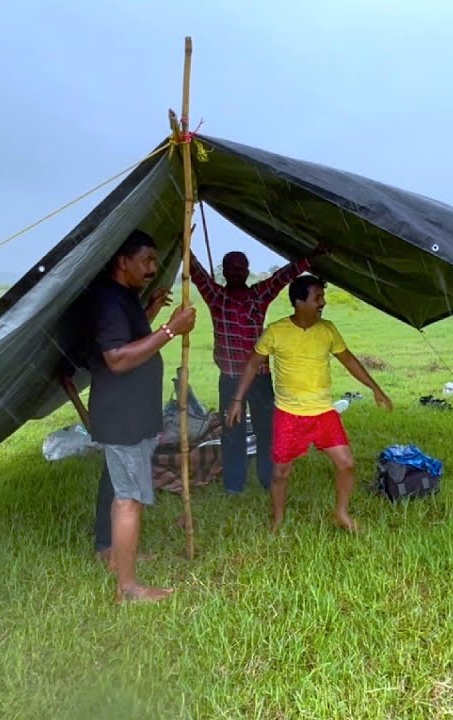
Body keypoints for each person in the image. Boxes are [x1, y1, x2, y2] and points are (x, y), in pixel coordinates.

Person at [227, 274, 391, 534]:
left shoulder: (327, 330)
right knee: (280, 472)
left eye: (322, 297)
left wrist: (376, 389)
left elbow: (348, 360)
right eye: (317, 298)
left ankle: (341, 513)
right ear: (299, 301)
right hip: (289, 415)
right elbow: (253, 364)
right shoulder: (276, 331)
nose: (322, 302)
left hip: (323, 412)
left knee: (346, 463)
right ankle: (278, 518)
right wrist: (237, 400)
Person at [85, 229, 196, 603]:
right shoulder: (108, 301)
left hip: (133, 414)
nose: (153, 268)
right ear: (123, 261)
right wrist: (170, 329)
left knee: (121, 491)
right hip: (124, 418)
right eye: (147, 260)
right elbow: (117, 359)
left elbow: (128, 339)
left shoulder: (125, 297)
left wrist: (150, 314)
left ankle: (118, 556)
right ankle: (128, 588)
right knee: (128, 499)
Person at [189, 247, 322, 493]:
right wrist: (183, 248)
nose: (236, 272)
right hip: (230, 379)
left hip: (259, 378)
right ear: (225, 272)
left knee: (266, 431)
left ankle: (267, 479)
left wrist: (309, 258)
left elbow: (283, 277)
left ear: (247, 272)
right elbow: (197, 274)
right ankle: (234, 485)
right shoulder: (216, 297)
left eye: (240, 268)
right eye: (231, 268)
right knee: (232, 432)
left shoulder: (258, 295)